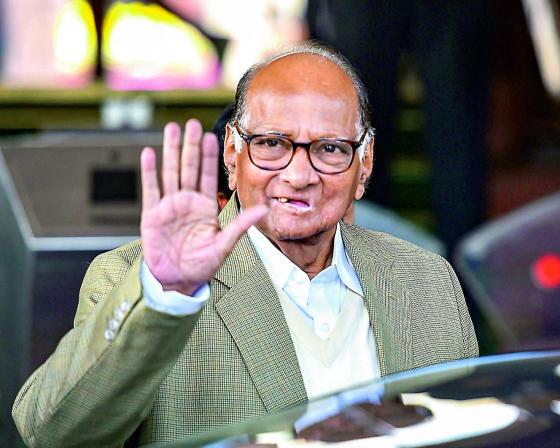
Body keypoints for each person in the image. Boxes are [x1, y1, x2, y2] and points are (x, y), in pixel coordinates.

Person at [12, 42, 478, 446]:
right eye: (272, 144)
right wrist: (166, 296)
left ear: (366, 163)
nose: (300, 175)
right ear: (232, 155)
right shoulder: (141, 281)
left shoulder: (427, 280)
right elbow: (53, 435)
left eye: (330, 149)